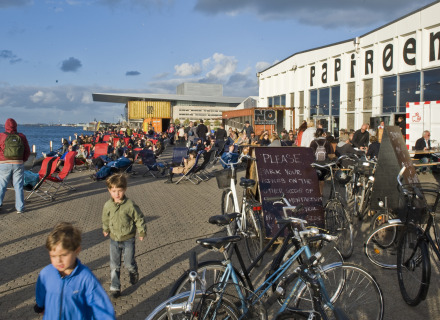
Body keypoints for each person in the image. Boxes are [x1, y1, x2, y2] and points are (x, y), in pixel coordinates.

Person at [34, 222, 115, 319]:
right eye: (53, 256)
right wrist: (40, 305)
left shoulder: (85, 278)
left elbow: (101, 306)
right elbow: (40, 293)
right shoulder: (46, 274)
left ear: (76, 250)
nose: (58, 260)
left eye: (64, 255)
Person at [102, 174, 146, 299]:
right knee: (114, 265)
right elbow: (105, 218)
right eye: (114, 191)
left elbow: (139, 218)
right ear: (109, 190)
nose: (117, 194)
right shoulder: (107, 205)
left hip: (128, 239)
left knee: (128, 263)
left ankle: (133, 271)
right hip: (114, 239)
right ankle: (115, 286)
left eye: (120, 191)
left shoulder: (130, 205)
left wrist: (141, 232)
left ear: (125, 189)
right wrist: (105, 228)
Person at [0, 118, 31, 214]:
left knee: (2, 185)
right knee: (18, 186)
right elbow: (27, 151)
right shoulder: (21, 136)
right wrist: (23, 160)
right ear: (16, 126)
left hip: (4, 163)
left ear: (5, 126)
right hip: (18, 163)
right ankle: (20, 208)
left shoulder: (1, 136)